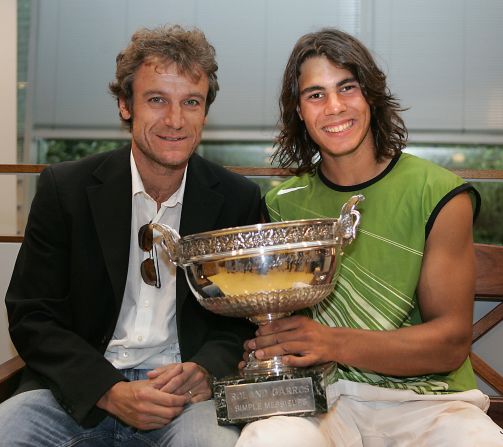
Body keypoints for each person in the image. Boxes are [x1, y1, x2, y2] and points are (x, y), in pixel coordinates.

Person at [236, 28, 503, 446]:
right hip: (319, 400)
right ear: (298, 111)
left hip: (431, 403)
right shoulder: (280, 205)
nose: (335, 107)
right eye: (316, 95)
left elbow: (450, 342)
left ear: (372, 97)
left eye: (348, 88)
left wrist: (330, 341)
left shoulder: (438, 192)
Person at [0, 25, 261, 446]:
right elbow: (32, 314)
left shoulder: (237, 200)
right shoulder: (65, 190)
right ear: (125, 105)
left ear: (205, 113)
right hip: (77, 392)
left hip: (184, 401)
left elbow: (246, 321)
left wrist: (206, 368)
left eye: (190, 102)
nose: (175, 120)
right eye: (157, 100)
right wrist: (109, 391)